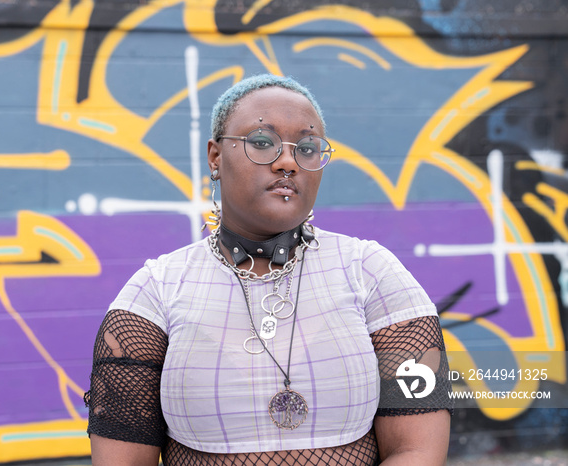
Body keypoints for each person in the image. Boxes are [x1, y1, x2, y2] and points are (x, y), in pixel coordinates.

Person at [85, 74, 452, 465]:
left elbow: (417, 450)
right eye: (262, 142)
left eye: (307, 148)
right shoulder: (156, 290)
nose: (288, 162)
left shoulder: (371, 273)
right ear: (215, 156)